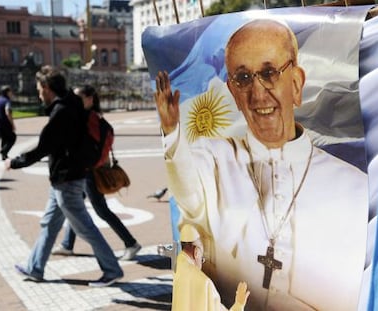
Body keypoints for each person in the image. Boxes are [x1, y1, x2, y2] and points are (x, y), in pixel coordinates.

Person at [155, 19, 371, 310]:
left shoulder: (356, 188)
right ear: (233, 93)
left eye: (269, 73)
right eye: (243, 79)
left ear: (296, 85)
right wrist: (171, 133)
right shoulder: (215, 158)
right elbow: (188, 192)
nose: (257, 94)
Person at [5, 66, 123, 287]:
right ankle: (34, 267)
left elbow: (42, 147)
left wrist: (15, 162)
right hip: (66, 177)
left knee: (84, 227)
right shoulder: (73, 103)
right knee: (49, 224)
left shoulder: (61, 113)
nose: (39, 93)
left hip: (67, 179)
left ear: (47, 88)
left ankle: (111, 269)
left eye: (40, 89)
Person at [52, 84, 141, 260]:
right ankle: (67, 244)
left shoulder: (89, 119)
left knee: (100, 209)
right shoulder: (91, 117)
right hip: (88, 170)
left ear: (90, 99)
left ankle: (131, 243)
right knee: (75, 206)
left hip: (90, 171)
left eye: (79, 98)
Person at [172, 223, 249, 311]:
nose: (201, 264)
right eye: (202, 259)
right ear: (196, 253)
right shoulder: (205, 283)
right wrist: (239, 305)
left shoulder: (177, 268)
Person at [0, 85, 16, 160]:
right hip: (6, 123)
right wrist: (12, 124)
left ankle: (4, 155)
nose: (11, 93)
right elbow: (8, 112)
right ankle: (3, 151)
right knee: (12, 138)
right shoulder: (7, 101)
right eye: (10, 92)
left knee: (4, 139)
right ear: (7, 92)